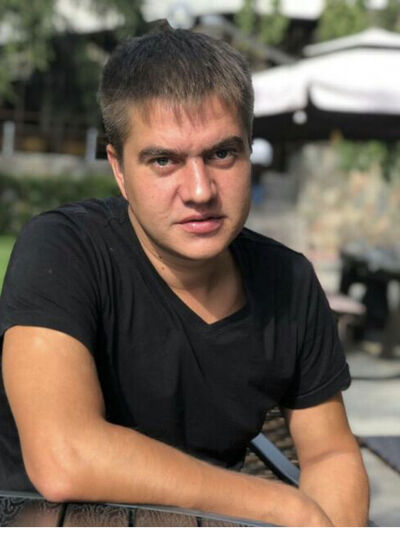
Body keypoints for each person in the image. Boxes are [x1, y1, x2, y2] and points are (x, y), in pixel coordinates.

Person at [0, 24, 369, 526]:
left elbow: (330, 454)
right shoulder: (65, 251)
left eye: (222, 154)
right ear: (118, 169)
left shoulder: (288, 281)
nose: (199, 190)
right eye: (163, 160)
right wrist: (281, 505)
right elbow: (65, 455)